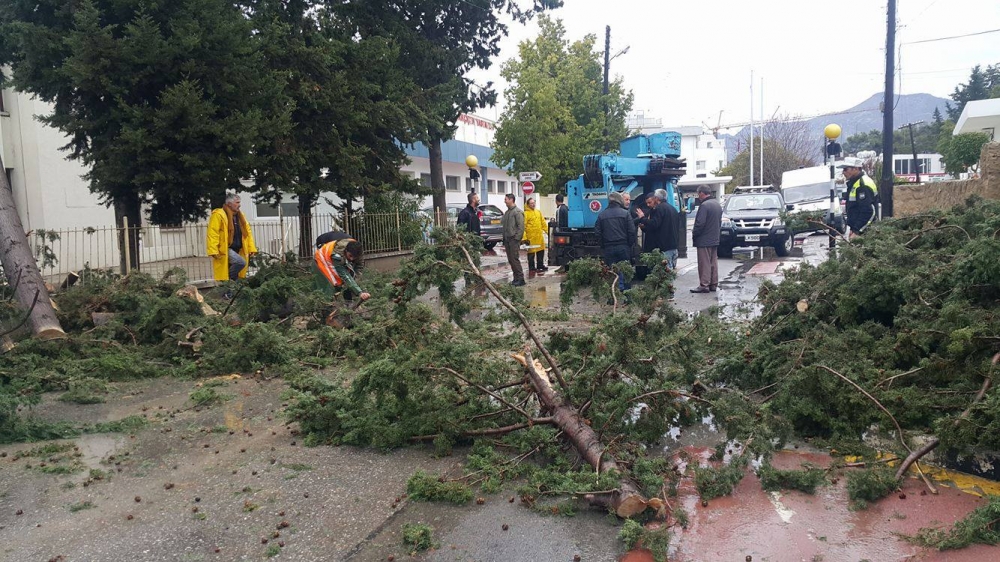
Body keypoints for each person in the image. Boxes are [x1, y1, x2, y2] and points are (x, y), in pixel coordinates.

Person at [206, 193, 256, 282]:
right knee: (240, 262)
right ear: (229, 204)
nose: (239, 205)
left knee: (236, 271)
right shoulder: (218, 214)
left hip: (238, 249)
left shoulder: (240, 216)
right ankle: (228, 280)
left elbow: (247, 234)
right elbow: (213, 233)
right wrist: (213, 250)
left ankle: (229, 292)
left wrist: (251, 248)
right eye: (237, 202)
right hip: (225, 248)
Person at [595, 191, 637, 294]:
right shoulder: (625, 213)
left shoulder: (602, 215)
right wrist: (629, 245)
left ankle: (611, 297)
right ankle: (628, 297)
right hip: (623, 247)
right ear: (619, 201)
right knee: (626, 272)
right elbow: (632, 232)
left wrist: (603, 246)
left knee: (610, 273)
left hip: (608, 248)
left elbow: (597, 233)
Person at [314, 232, 370, 302]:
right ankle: (327, 302)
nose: (352, 259)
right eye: (350, 256)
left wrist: (355, 283)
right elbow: (344, 275)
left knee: (348, 276)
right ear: (346, 251)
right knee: (334, 281)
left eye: (354, 257)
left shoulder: (357, 250)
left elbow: (359, 268)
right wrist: (359, 292)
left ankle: (347, 299)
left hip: (338, 242)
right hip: (323, 250)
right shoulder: (337, 255)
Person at [690, 185, 722, 293]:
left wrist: (695, 234)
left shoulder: (704, 205)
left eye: (698, 194)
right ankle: (713, 284)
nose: (698, 196)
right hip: (714, 238)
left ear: (702, 193)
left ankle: (704, 285)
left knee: (704, 263)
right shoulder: (717, 204)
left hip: (704, 239)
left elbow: (700, 223)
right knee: (713, 262)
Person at [838, 156, 878, 239]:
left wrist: (857, 231)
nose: (843, 172)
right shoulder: (855, 183)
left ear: (855, 169)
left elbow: (868, 211)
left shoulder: (863, 185)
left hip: (866, 232)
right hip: (859, 229)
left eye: (845, 169)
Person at [501, 193, 526, 286]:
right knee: (511, 259)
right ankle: (516, 278)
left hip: (513, 240)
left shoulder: (517, 212)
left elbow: (521, 227)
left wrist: (517, 239)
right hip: (507, 239)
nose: (505, 201)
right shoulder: (507, 212)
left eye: (506, 199)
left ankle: (521, 278)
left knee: (514, 259)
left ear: (511, 200)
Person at [522, 197, 547, 272]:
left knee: (541, 251)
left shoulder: (538, 212)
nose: (533, 204)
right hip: (531, 237)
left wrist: (548, 232)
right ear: (528, 204)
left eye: (534, 203)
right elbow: (523, 226)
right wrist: (524, 238)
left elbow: (543, 223)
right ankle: (532, 267)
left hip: (539, 236)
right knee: (531, 253)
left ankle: (540, 265)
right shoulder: (525, 214)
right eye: (531, 203)